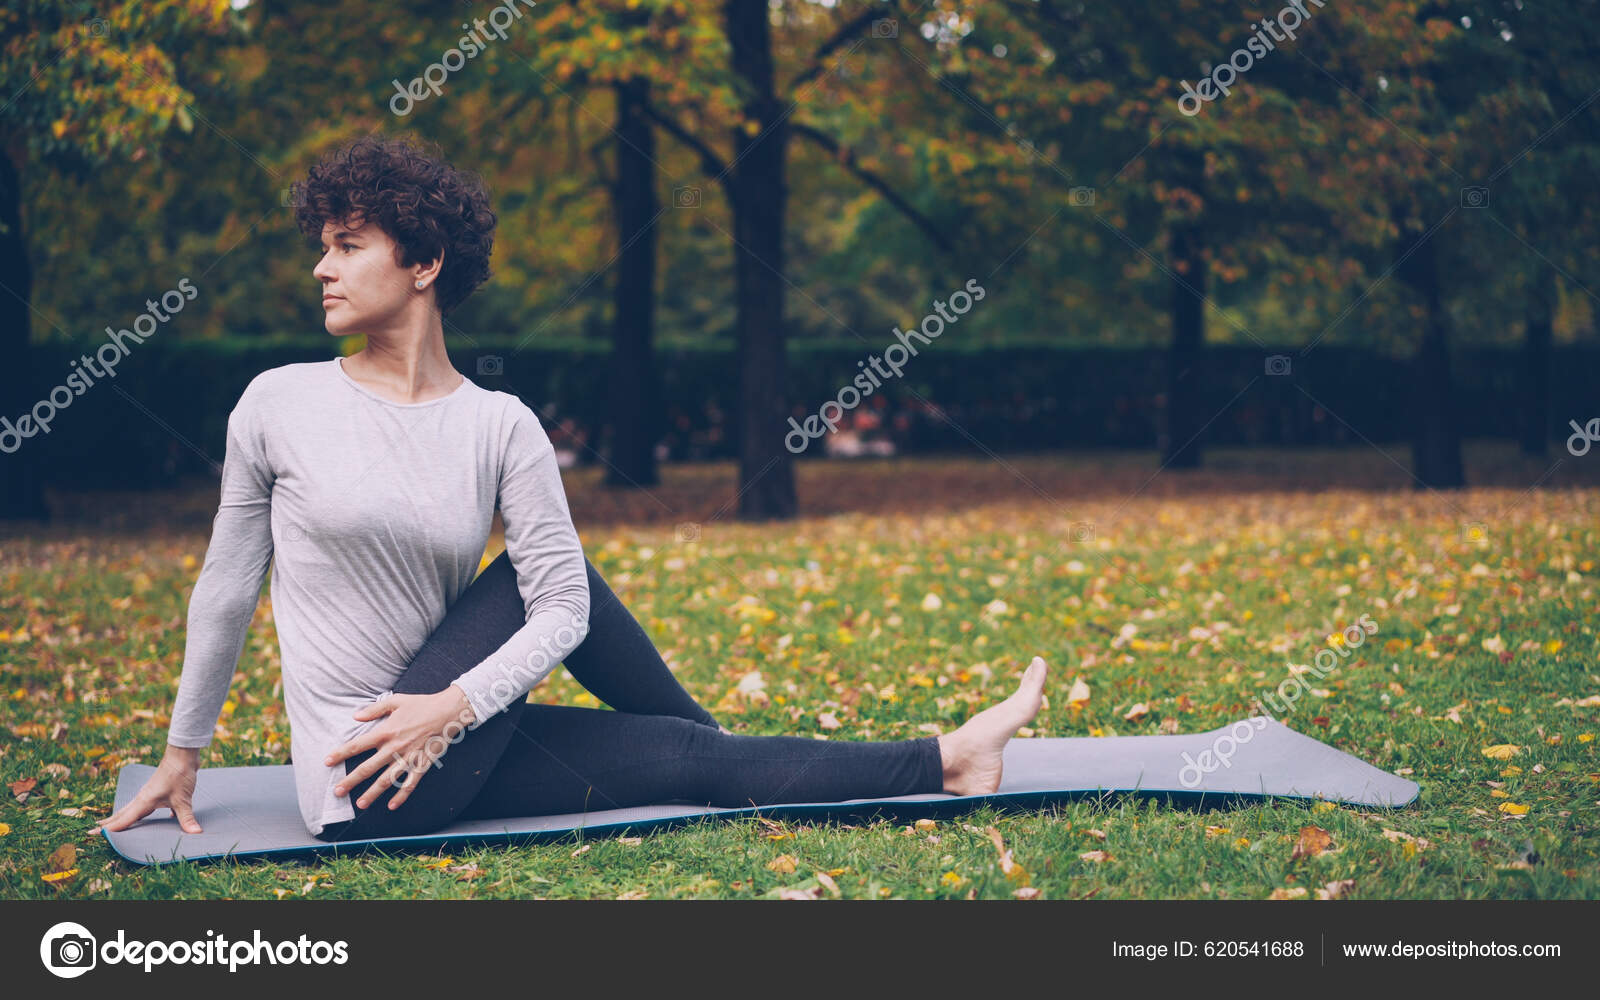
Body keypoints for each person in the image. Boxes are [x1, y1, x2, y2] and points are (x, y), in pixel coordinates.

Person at [92, 134, 1049, 845]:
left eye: (348, 246)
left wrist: (455, 706)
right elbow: (224, 588)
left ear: (424, 264)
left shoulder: (498, 423)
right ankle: (733, 747)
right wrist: (183, 755)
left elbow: (561, 613)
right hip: (364, 774)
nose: (321, 266)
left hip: (452, 733)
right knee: (551, 578)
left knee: (678, 747)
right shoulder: (278, 403)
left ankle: (949, 759)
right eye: (325, 245)